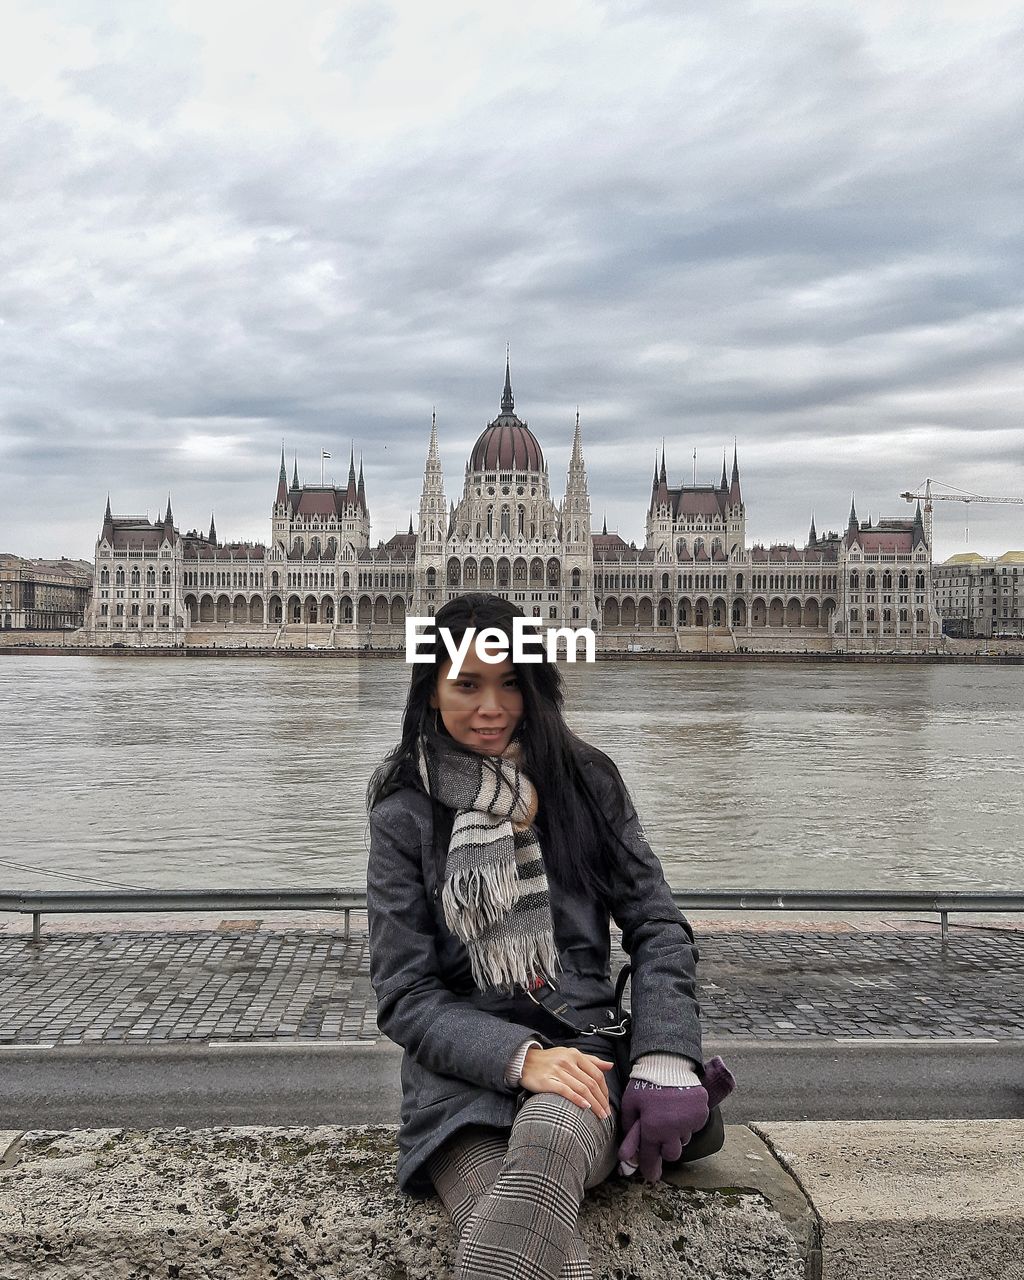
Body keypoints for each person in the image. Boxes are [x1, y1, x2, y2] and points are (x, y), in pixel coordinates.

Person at [366, 594, 733, 1280]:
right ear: (431, 689)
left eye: (511, 682)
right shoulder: (405, 812)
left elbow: (658, 924)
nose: (491, 708)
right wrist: (518, 1058)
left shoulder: (586, 782)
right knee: (536, 1245)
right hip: (459, 1090)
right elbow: (405, 994)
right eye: (467, 684)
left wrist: (663, 1056)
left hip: (583, 1061)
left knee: (552, 1133)